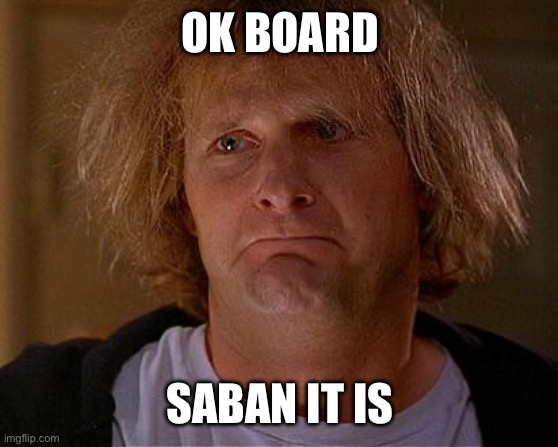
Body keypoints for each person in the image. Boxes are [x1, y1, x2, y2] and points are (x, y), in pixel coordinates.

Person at [0, 0, 556, 446]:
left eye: (326, 131)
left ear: (425, 172)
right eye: (231, 144)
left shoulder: (536, 410)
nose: (280, 188)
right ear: (183, 200)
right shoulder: (31, 417)